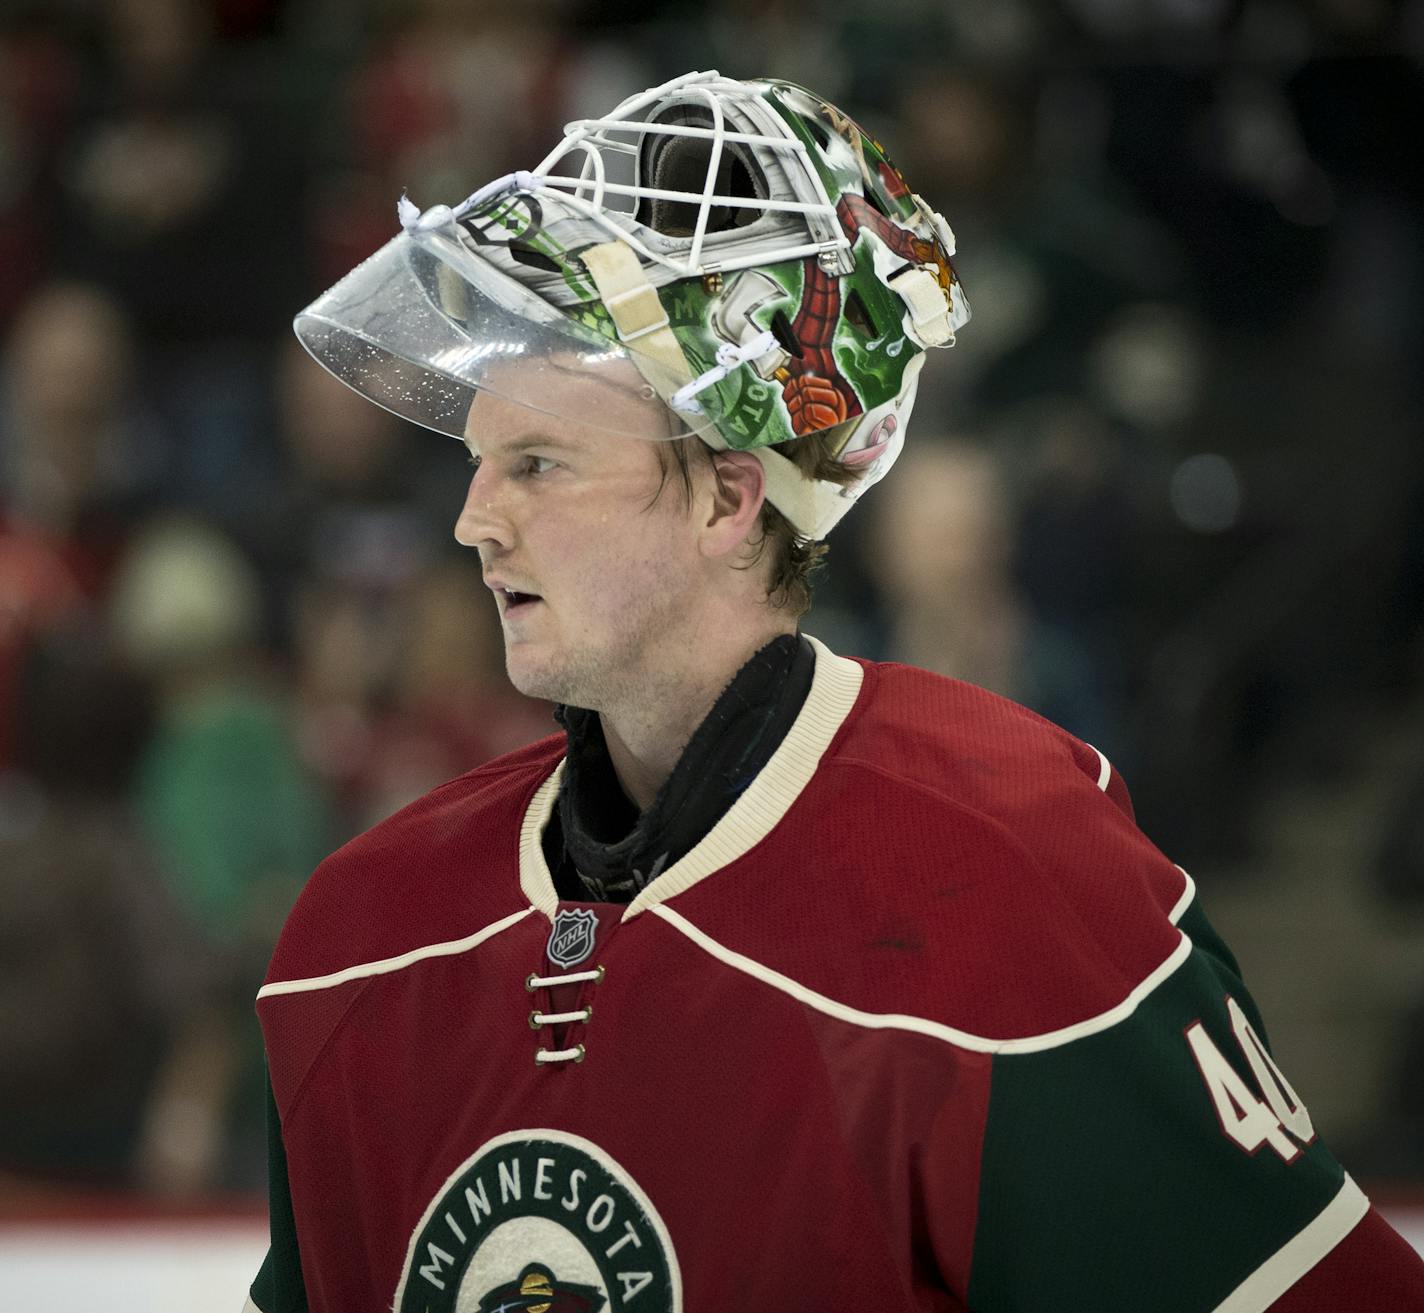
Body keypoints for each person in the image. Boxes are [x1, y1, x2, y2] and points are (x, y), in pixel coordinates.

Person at [245, 71, 1424, 1312]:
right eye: (482, 464)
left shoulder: (1012, 884)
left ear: (727, 495)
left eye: (537, 462)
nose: (474, 521)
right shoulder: (354, 943)